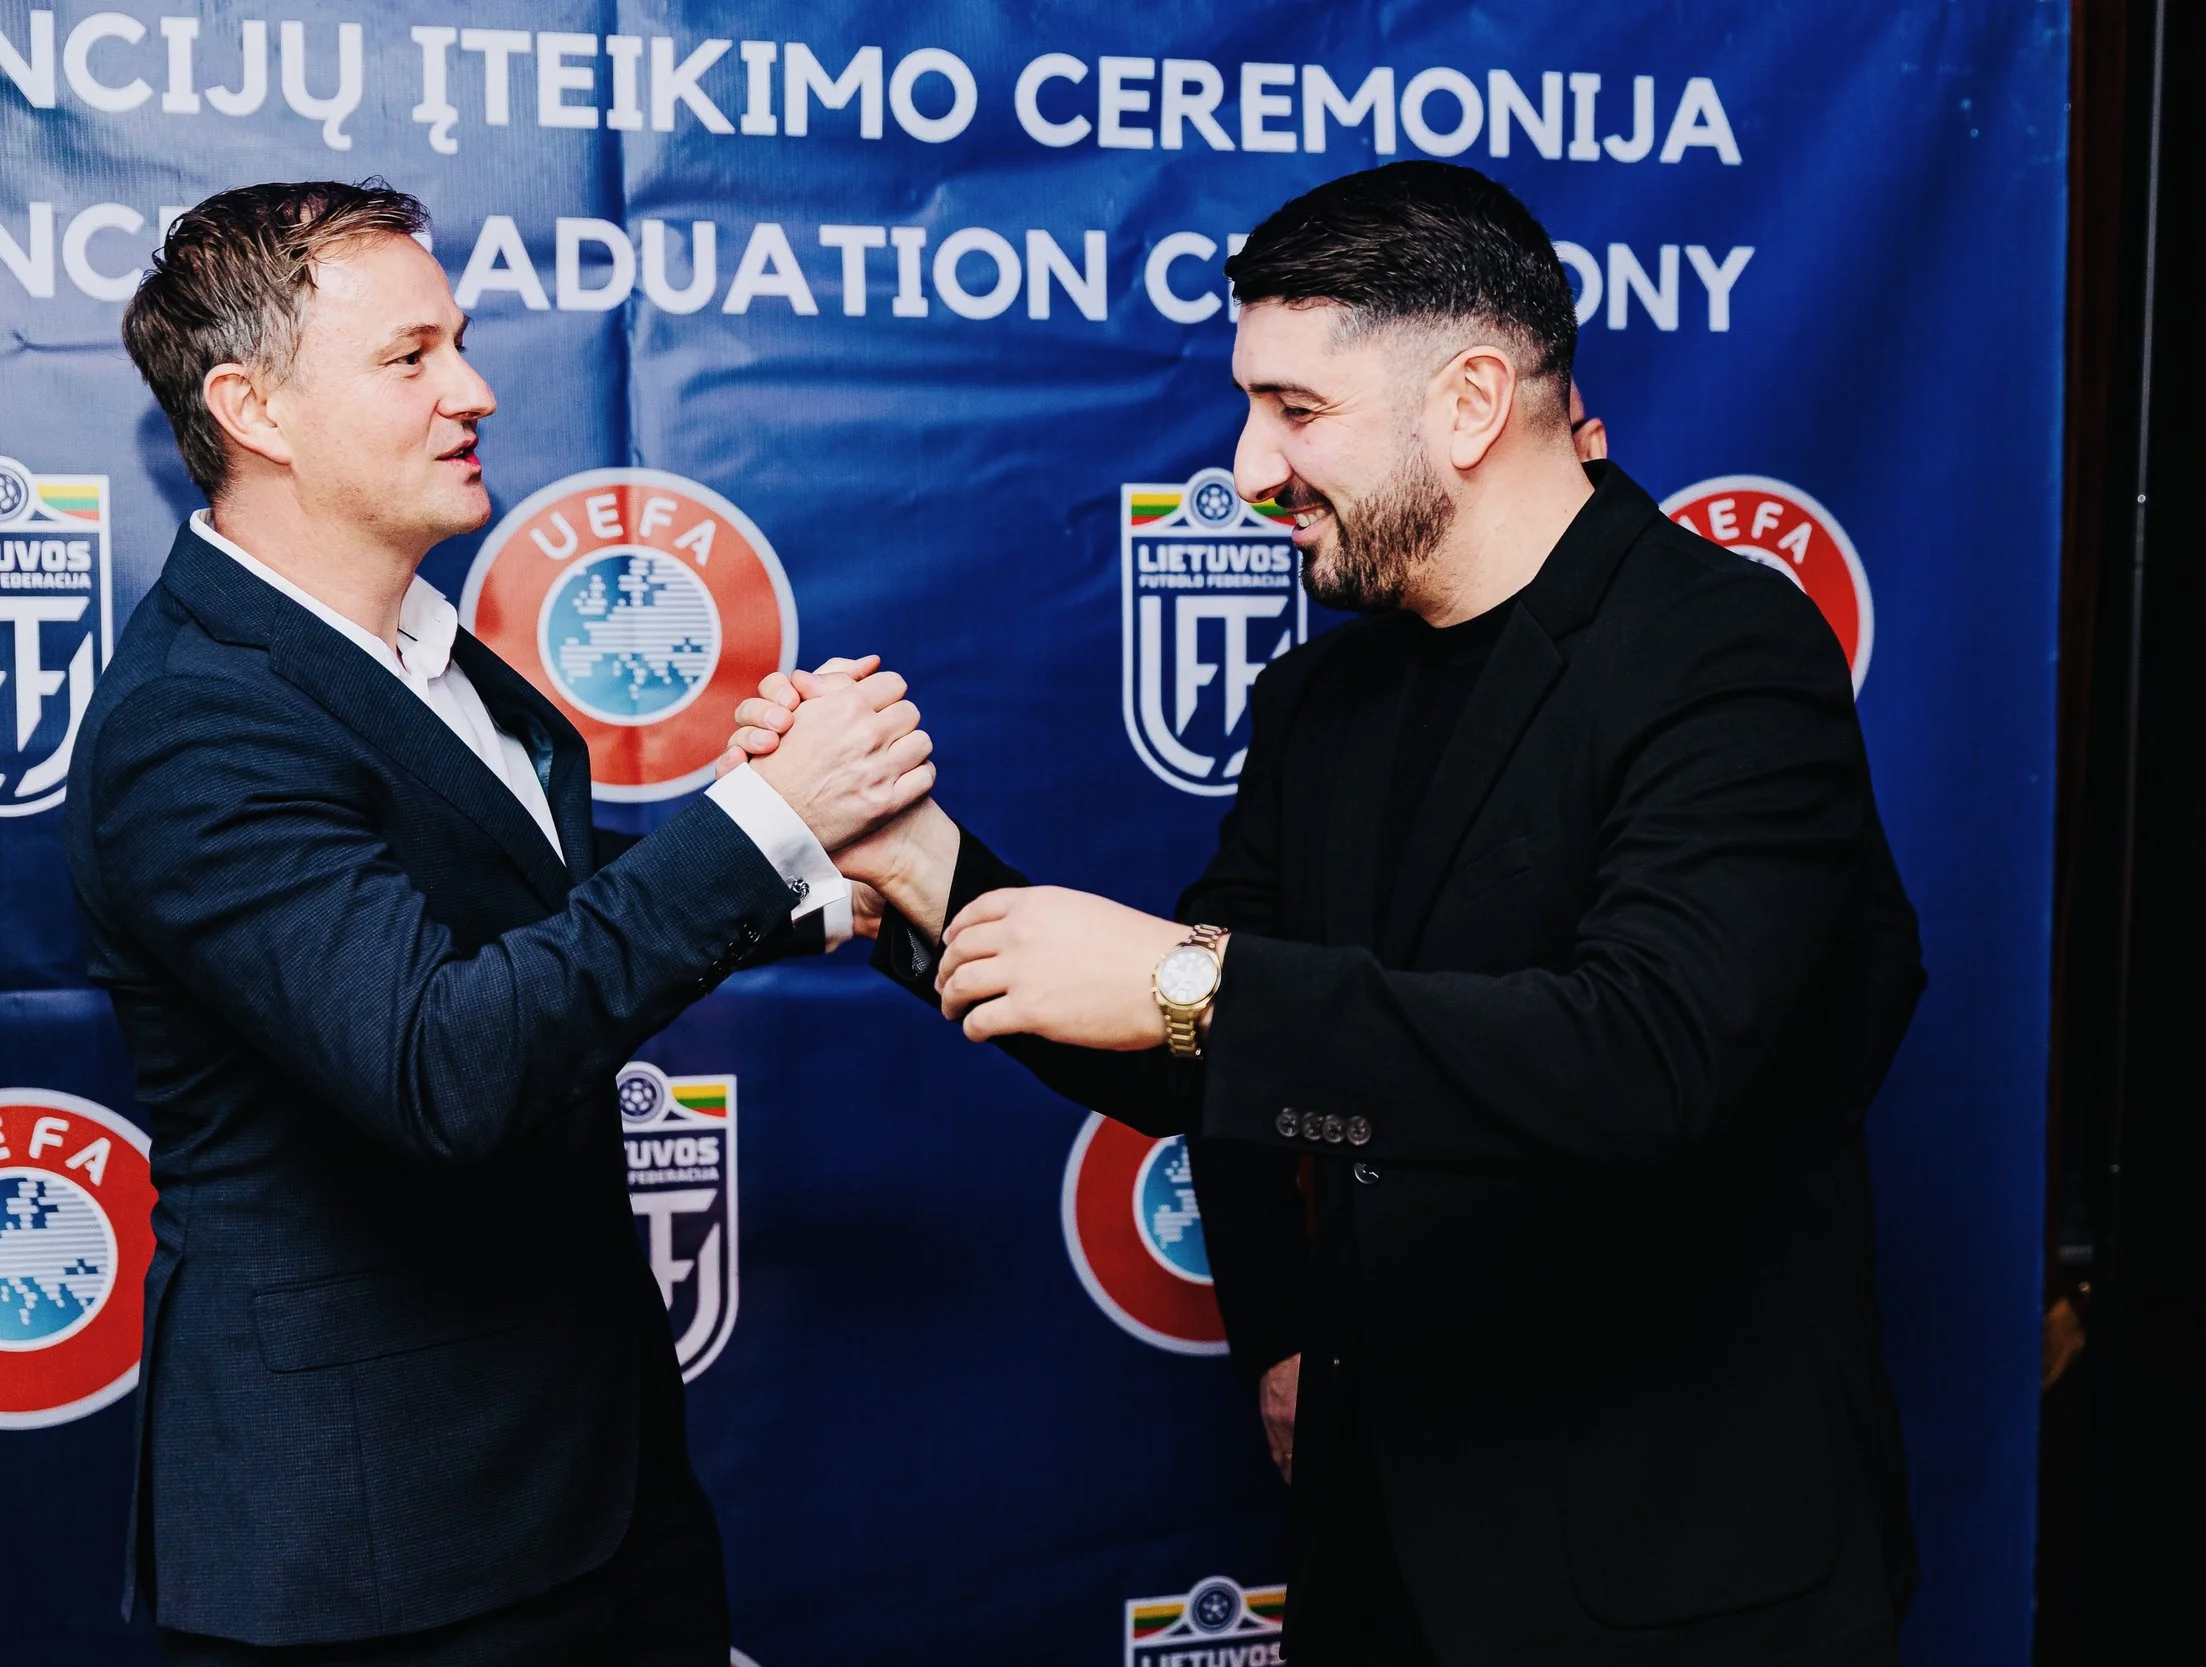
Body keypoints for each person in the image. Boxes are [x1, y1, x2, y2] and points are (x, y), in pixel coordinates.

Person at [738, 161, 1926, 1665]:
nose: (1247, 465)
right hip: (1386, 1555)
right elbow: (1182, 1040)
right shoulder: (1326, 693)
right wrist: (914, 861)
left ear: (1473, 402)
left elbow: (1652, 1054)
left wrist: (1195, 984)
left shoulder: (1726, 652)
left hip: (1667, 1578)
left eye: (1296, 410)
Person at [65, 181, 930, 1664]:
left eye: (458, 343)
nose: (473, 389)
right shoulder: (196, 723)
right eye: (410, 358)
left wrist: (802, 882)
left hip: (595, 1483)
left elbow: (508, 909)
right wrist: (765, 815)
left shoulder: (416, 646)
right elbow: (436, 1060)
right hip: (379, 1554)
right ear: (251, 406)